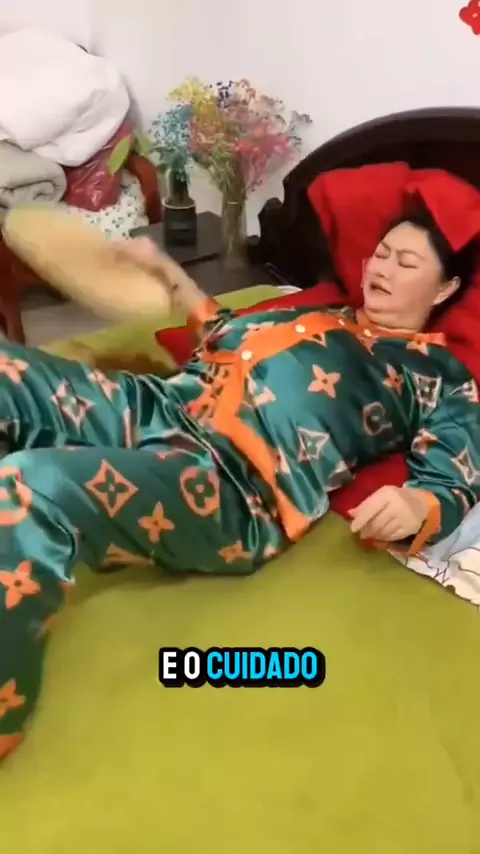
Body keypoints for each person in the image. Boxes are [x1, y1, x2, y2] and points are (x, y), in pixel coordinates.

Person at [0, 205, 479, 759]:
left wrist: (418, 503)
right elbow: (222, 333)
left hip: (232, 484)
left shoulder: (439, 375)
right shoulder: (322, 314)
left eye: (406, 262)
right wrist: (166, 270)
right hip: (158, 406)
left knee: (28, 486)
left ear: (445, 287)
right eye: (381, 253)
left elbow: (458, 465)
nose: (382, 268)